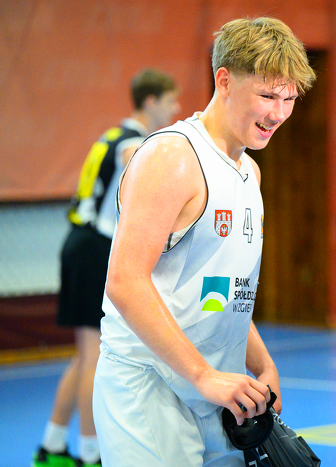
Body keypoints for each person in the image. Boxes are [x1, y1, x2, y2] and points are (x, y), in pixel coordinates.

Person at [92, 17, 315, 467]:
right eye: (267, 96)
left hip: (218, 390)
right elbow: (124, 281)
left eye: (289, 99)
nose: (278, 114)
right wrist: (201, 375)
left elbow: (224, 291)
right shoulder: (173, 156)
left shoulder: (250, 172)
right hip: (150, 385)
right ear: (224, 80)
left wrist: (263, 364)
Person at [33, 68, 180, 467]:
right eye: (171, 101)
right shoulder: (132, 144)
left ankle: (52, 445)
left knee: (85, 354)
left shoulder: (109, 136)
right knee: (94, 356)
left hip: (79, 244)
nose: (176, 108)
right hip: (95, 249)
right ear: (151, 101)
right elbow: (144, 177)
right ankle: (91, 454)